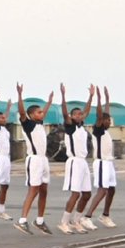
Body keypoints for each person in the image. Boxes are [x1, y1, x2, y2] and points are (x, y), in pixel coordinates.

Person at [12, 83, 54, 235]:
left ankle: (40, 220)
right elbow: (22, 112)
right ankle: (22, 220)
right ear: (31, 115)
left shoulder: (39, 124)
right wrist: (20, 96)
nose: (42, 114)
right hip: (34, 160)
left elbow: (45, 112)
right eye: (38, 112)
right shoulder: (28, 124)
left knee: (44, 190)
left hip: (43, 160)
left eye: (42, 112)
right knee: (33, 189)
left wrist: (49, 102)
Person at [58, 82, 97, 234]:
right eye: (76, 114)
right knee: (75, 193)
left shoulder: (81, 126)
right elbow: (64, 113)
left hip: (84, 162)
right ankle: (64, 222)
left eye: (80, 114)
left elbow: (86, 111)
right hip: (74, 161)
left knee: (86, 194)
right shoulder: (70, 126)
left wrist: (91, 96)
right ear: (71, 116)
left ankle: (76, 219)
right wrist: (63, 96)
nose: (79, 116)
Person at [84, 86, 118, 228]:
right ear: (101, 122)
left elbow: (105, 113)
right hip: (101, 163)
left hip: (109, 163)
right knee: (102, 190)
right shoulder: (98, 130)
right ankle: (87, 217)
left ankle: (105, 215)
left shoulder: (106, 131)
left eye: (110, 120)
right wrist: (98, 98)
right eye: (107, 120)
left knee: (111, 189)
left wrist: (108, 99)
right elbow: (100, 115)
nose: (109, 122)